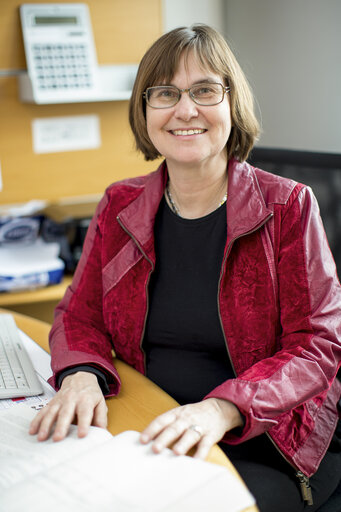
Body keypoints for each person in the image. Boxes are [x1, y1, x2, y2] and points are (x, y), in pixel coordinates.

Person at [29, 24, 341, 512]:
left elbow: (317, 346)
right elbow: (78, 314)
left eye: (204, 90)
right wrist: (83, 373)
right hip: (147, 418)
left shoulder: (289, 207)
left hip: (264, 440)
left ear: (231, 104)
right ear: (145, 110)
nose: (185, 109)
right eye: (166, 93)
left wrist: (223, 409)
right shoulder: (119, 204)